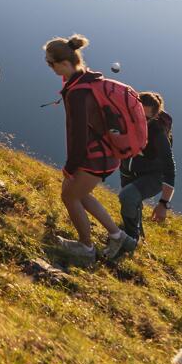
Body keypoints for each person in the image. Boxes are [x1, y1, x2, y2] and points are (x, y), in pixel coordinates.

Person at [45, 34, 136, 261]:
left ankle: (86, 249)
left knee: (70, 197)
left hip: (93, 157)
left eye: (50, 63)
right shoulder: (87, 79)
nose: (49, 67)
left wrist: (71, 166)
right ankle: (119, 237)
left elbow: (79, 134)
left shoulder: (78, 93)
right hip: (106, 154)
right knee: (81, 194)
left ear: (65, 63)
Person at [118, 91, 177, 252]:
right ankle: (137, 238)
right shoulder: (124, 118)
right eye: (137, 114)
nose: (140, 121)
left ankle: (130, 240)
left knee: (127, 197)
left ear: (154, 117)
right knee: (131, 203)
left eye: (146, 118)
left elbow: (169, 168)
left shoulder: (157, 133)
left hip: (154, 176)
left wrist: (164, 204)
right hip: (128, 170)